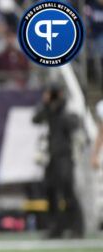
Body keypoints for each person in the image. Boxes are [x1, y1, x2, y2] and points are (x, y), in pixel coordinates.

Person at [32, 84, 83, 239]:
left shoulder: (67, 108)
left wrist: (59, 107)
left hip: (65, 157)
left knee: (68, 192)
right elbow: (35, 119)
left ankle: (77, 228)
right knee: (51, 192)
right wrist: (47, 105)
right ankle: (56, 227)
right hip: (52, 157)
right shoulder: (48, 110)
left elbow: (75, 125)